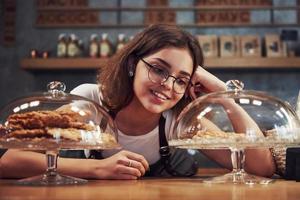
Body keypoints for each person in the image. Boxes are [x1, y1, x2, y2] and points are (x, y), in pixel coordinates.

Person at [0, 24, 276, 180]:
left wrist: (222, 94)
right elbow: (10, 162)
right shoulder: (90, 101)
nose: (168, 86)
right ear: (133, 63)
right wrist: (95, 168)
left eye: (181, 79)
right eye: (158, 69)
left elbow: (260, 166)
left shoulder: (178, 120)